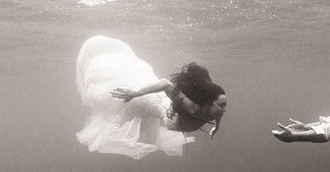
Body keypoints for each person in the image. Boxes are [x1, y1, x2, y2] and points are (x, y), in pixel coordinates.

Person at [76, 35, 227, 159]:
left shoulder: (215, 111)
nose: (224, 109)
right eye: (221, 105)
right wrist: (135, 93)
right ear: (207, 103)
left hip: (169, 108)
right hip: (155, 103)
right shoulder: (189, 105)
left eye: (224, 105)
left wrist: (216, 127)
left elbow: (218, 115)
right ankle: (133, 89)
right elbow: (165, 84)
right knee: (126, 99)